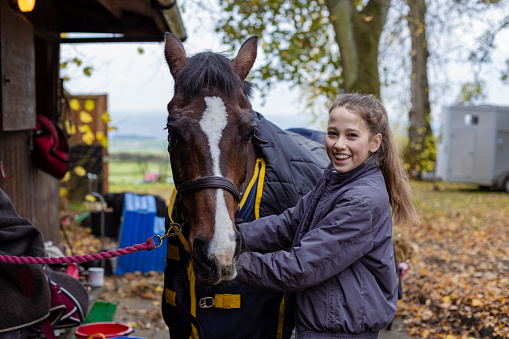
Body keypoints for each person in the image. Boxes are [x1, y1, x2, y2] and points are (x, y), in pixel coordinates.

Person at [235, 93, 420, 339]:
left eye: (351, 135)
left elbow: (301, 267)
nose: (339, 144)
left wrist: (231, 263)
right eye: (333, 133)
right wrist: (230, 236)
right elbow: (289, 224)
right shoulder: (335, 179)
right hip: (322, 325)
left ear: (375, 143)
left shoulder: (361, 201)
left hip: (340, 332)